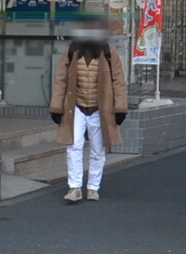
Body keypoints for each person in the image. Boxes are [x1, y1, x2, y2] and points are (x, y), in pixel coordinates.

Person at [48, 19, 129, 203]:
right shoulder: (71, 52)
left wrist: (120, 108)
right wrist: (56, 106)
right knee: (74, 146)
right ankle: (75, 187)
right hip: (75, 107)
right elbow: (60, 80)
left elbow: (119, 82)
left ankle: (93, 188)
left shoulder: (109, 53)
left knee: (97, 150)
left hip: (101, 109)